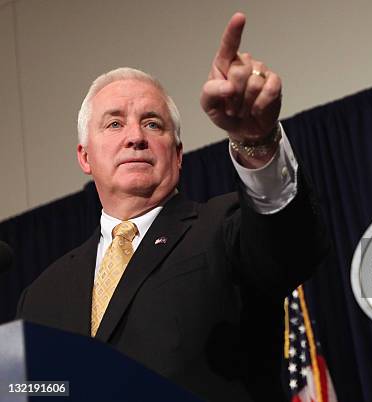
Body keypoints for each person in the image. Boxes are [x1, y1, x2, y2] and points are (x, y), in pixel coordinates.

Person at [16, 12, 328, 402]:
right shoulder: (41, 295)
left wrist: (258, 139)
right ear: (84, 156)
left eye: (152, 124)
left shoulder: (224, 229)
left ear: (178, 154)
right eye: (114, 124)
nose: (135, 137)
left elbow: (291, 249)